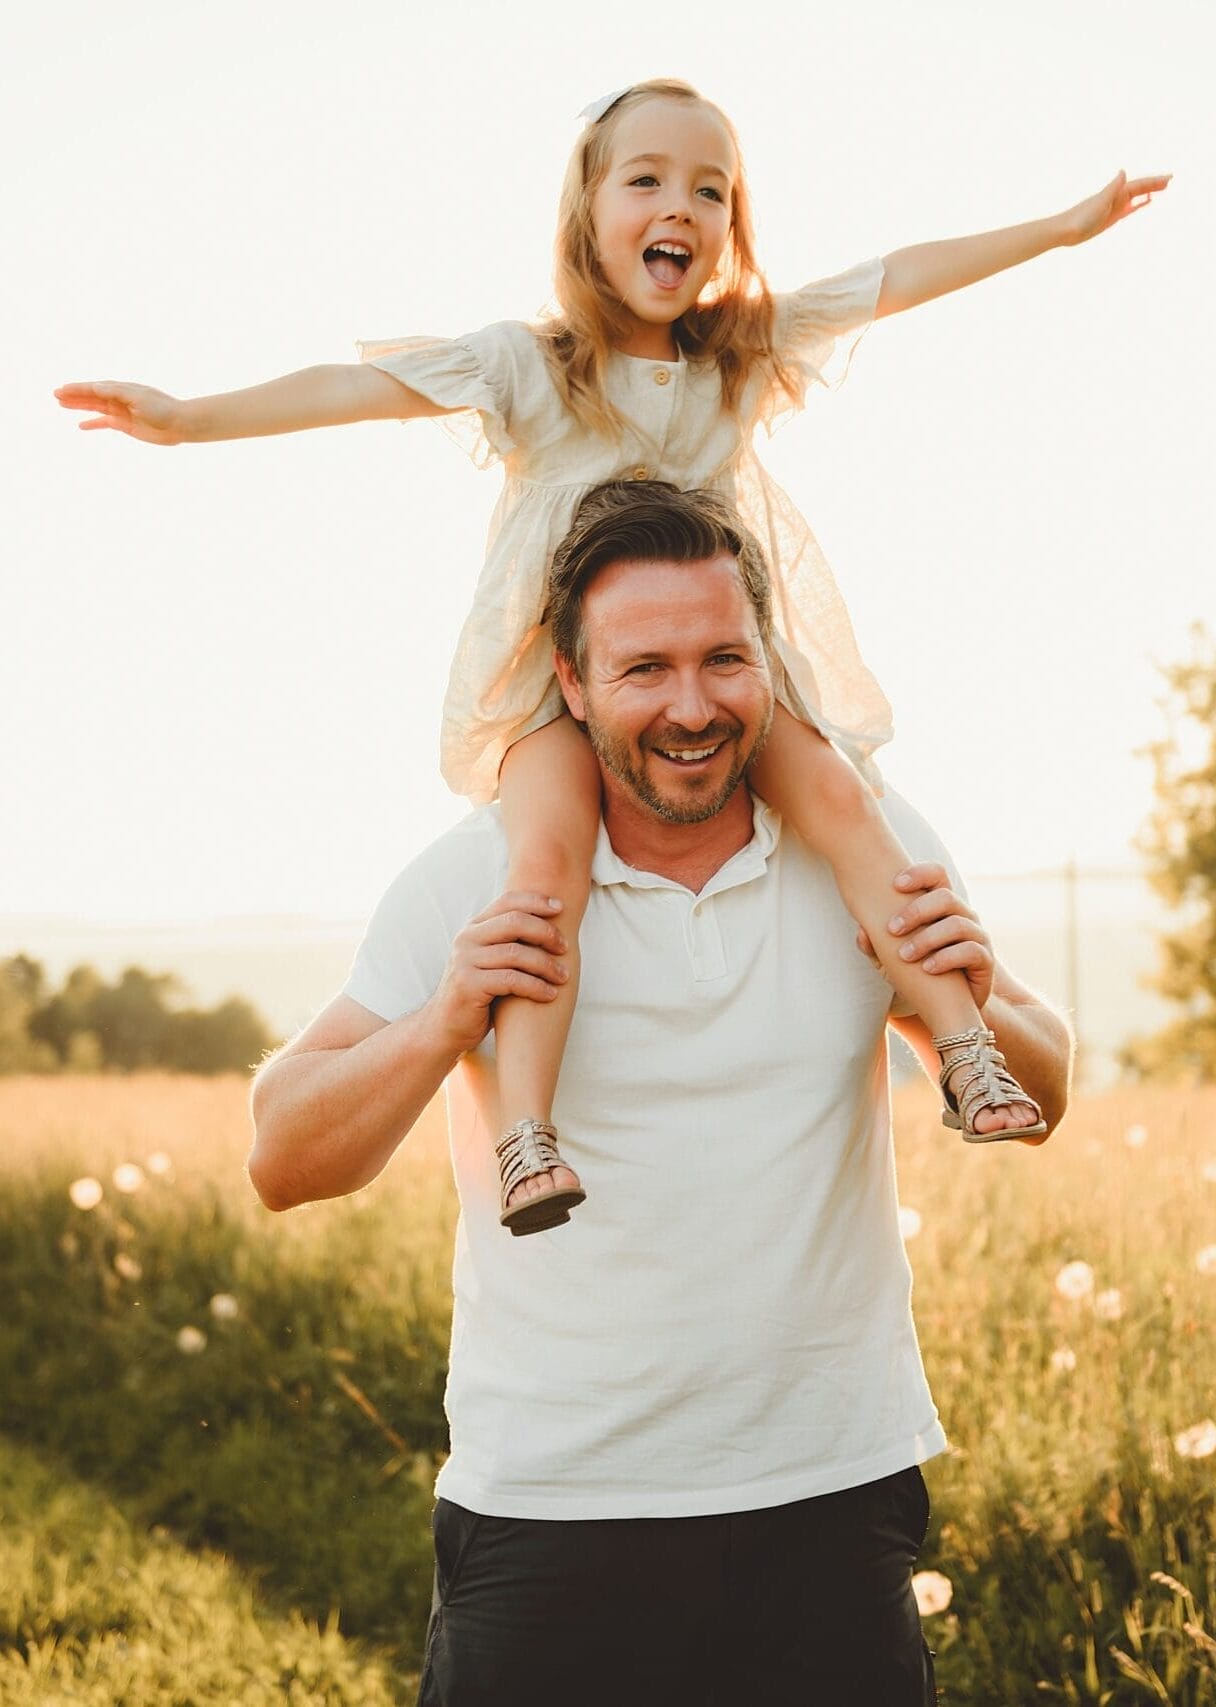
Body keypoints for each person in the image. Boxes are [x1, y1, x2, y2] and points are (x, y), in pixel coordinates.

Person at [57, 79, 1153, 1231]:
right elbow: (354, 389)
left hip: (715, 662)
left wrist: (1060, 228)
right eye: (645, 179)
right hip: (554, 683)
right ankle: (527, 1136)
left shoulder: (737, 352)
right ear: (586, 209)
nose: (677, 205)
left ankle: (967, 1055)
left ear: (730, 227)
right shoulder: (531, 367)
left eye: (710, 189)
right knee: (545, 866)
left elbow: (894, 278)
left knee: (840, 798)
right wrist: (186, 419)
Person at [248, 479, 1072, 1706]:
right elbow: (281, 1156)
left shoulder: (868, 843)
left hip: (831, 1499)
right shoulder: (477, 878)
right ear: (571, 687)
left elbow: (1042, 1086)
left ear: (768, 667)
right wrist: (440, 1023)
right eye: (644, 671)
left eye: (723, 660)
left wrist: (973, 990)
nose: (692, 708)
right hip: (552, 1510)